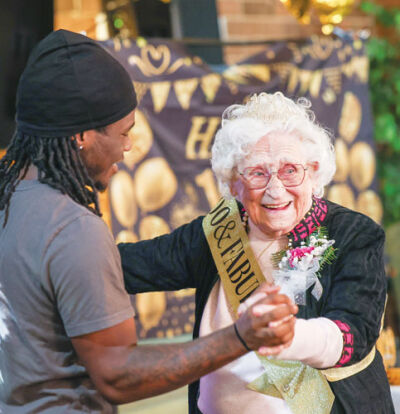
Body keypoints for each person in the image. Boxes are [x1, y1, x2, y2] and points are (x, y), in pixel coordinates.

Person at [0, 31, 298, 413]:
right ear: (81, 136)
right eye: (123, 132)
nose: (127, 147)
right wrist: (239, 337)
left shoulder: (10, 201)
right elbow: (117, 374)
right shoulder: (73, 229)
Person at [119, 92, 395, 414]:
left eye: (291, 170)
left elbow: (354, 332)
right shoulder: (214, 234)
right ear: (234, 183)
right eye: (258, 173)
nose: (276, 190)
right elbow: (126, 267)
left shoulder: (353, 235)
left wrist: (289, 335)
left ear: (314, 172)